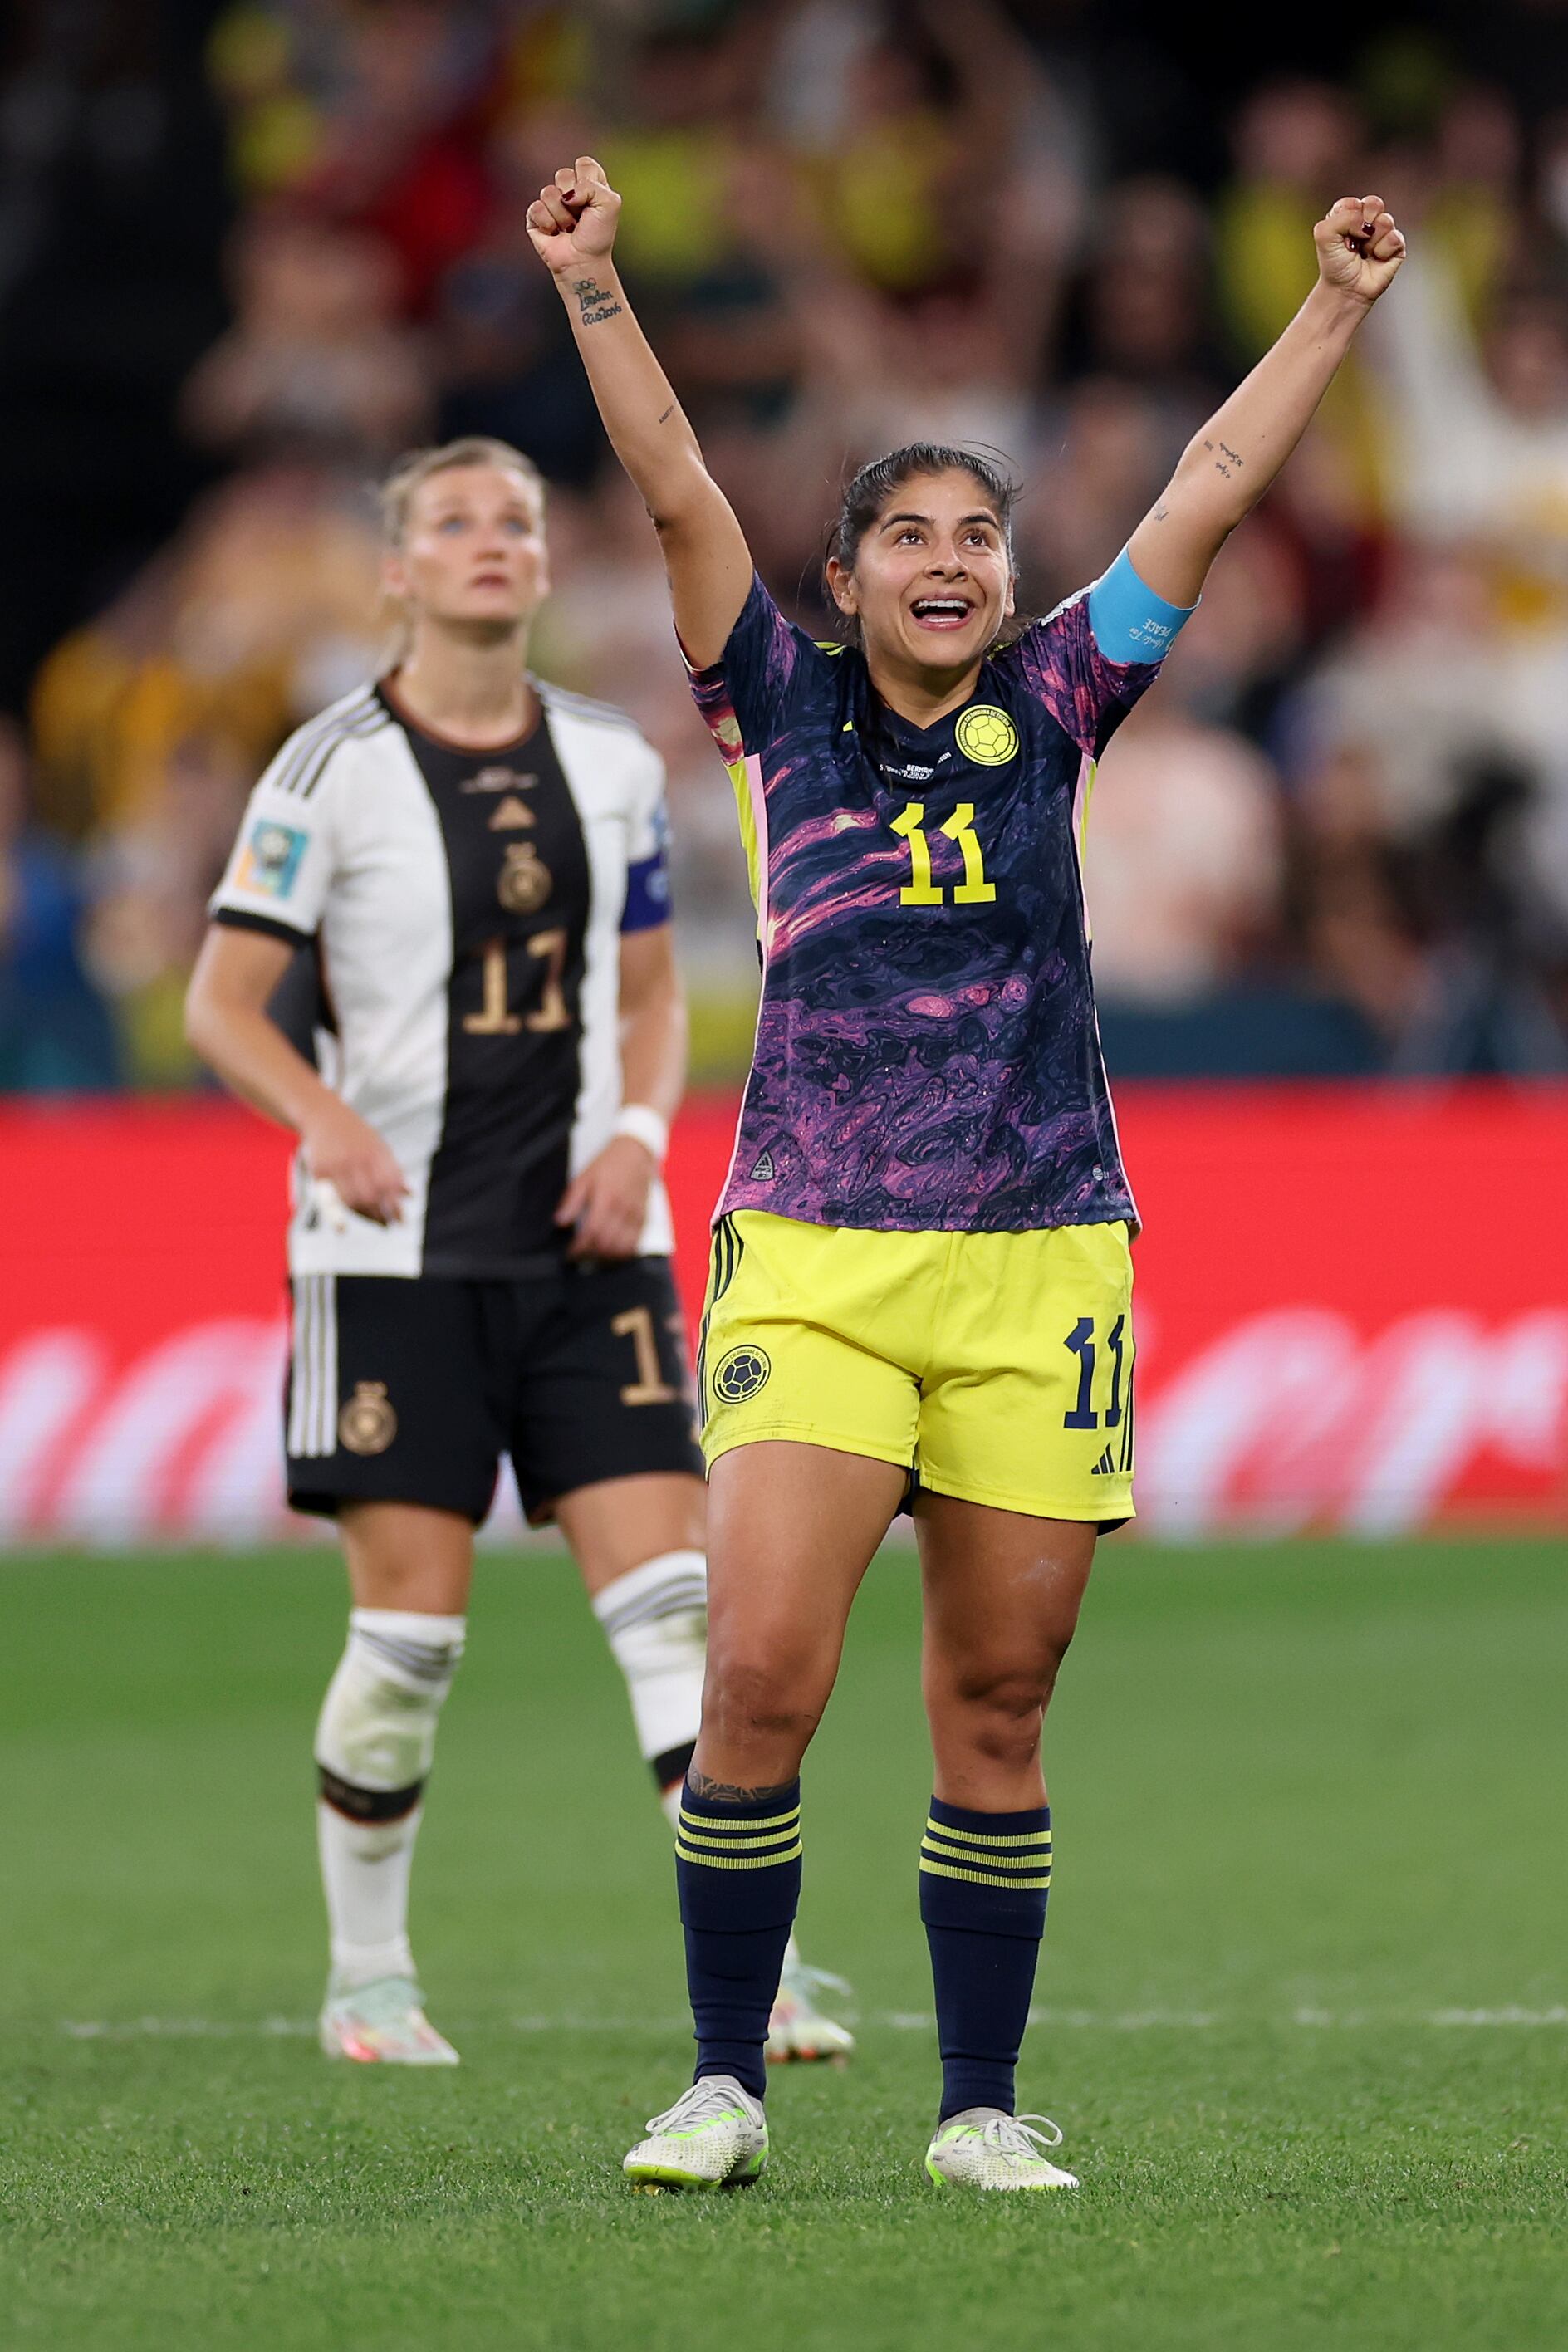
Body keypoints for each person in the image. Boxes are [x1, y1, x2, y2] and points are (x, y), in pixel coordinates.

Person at [527, 160, 1405, 2191]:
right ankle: (722, 2079)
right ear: (839, 581)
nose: (948, 558)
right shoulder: (774, 709)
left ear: (1009, 578)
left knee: (996, 1704)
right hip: (819, 1255)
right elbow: (670, 487)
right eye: (906, 534)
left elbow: (1203, 478)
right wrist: (590, 286)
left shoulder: (1062, 700)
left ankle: (978, 2109)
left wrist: (1335, 309)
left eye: (977, 534)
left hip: (1040, 1263)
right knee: (756, 1672)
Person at [185, 434, 850, 2066]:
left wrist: (634, 1141)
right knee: (411, 1641)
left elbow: (640, 996)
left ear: (547, 566)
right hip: (389, 1255)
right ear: (397, 572)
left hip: (581, 1244)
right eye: (454, 523)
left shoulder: (613, 763)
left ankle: (750, 1977)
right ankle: (365, 1976)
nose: (492, 543)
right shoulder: (325, 768)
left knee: (677, 1610)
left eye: (518, 523)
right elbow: (220, 1002)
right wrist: (317, 1121)